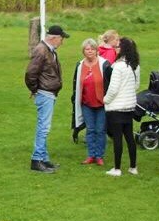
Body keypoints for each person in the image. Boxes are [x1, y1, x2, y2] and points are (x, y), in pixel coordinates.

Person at [24, 25, 69, 174]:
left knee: (44, 127)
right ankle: (36, 160)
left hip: (48, 93)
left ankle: (43, 158)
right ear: (54, 38)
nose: (62, 42)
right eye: (61, 39)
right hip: (45, 93)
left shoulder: (48, 50)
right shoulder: (42, 50)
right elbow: (31, 73)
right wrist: (35, 89)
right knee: (43, 128)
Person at [104, 37, 141, 176]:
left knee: (118, 138)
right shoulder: (133, 65)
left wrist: (105, 100)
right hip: (129, 106)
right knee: (129, 137)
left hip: (117, 107)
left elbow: (113, 89)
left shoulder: (118, 66)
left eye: (118, 47)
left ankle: (117, 168)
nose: (116, 49)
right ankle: (133, 167)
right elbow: (135, 86)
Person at [71, 38, 111, 166]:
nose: (89, 51)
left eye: (92, 49)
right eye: (87, 49)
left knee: (100, 130)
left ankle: (99, 156)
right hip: (86, 103)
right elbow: (76, 85)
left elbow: (110, 84)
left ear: (96, 50)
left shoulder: (104, 64)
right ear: (83, 51)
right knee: (90, 129)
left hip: (101, 103)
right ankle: (91, 155)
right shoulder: (80, 65)